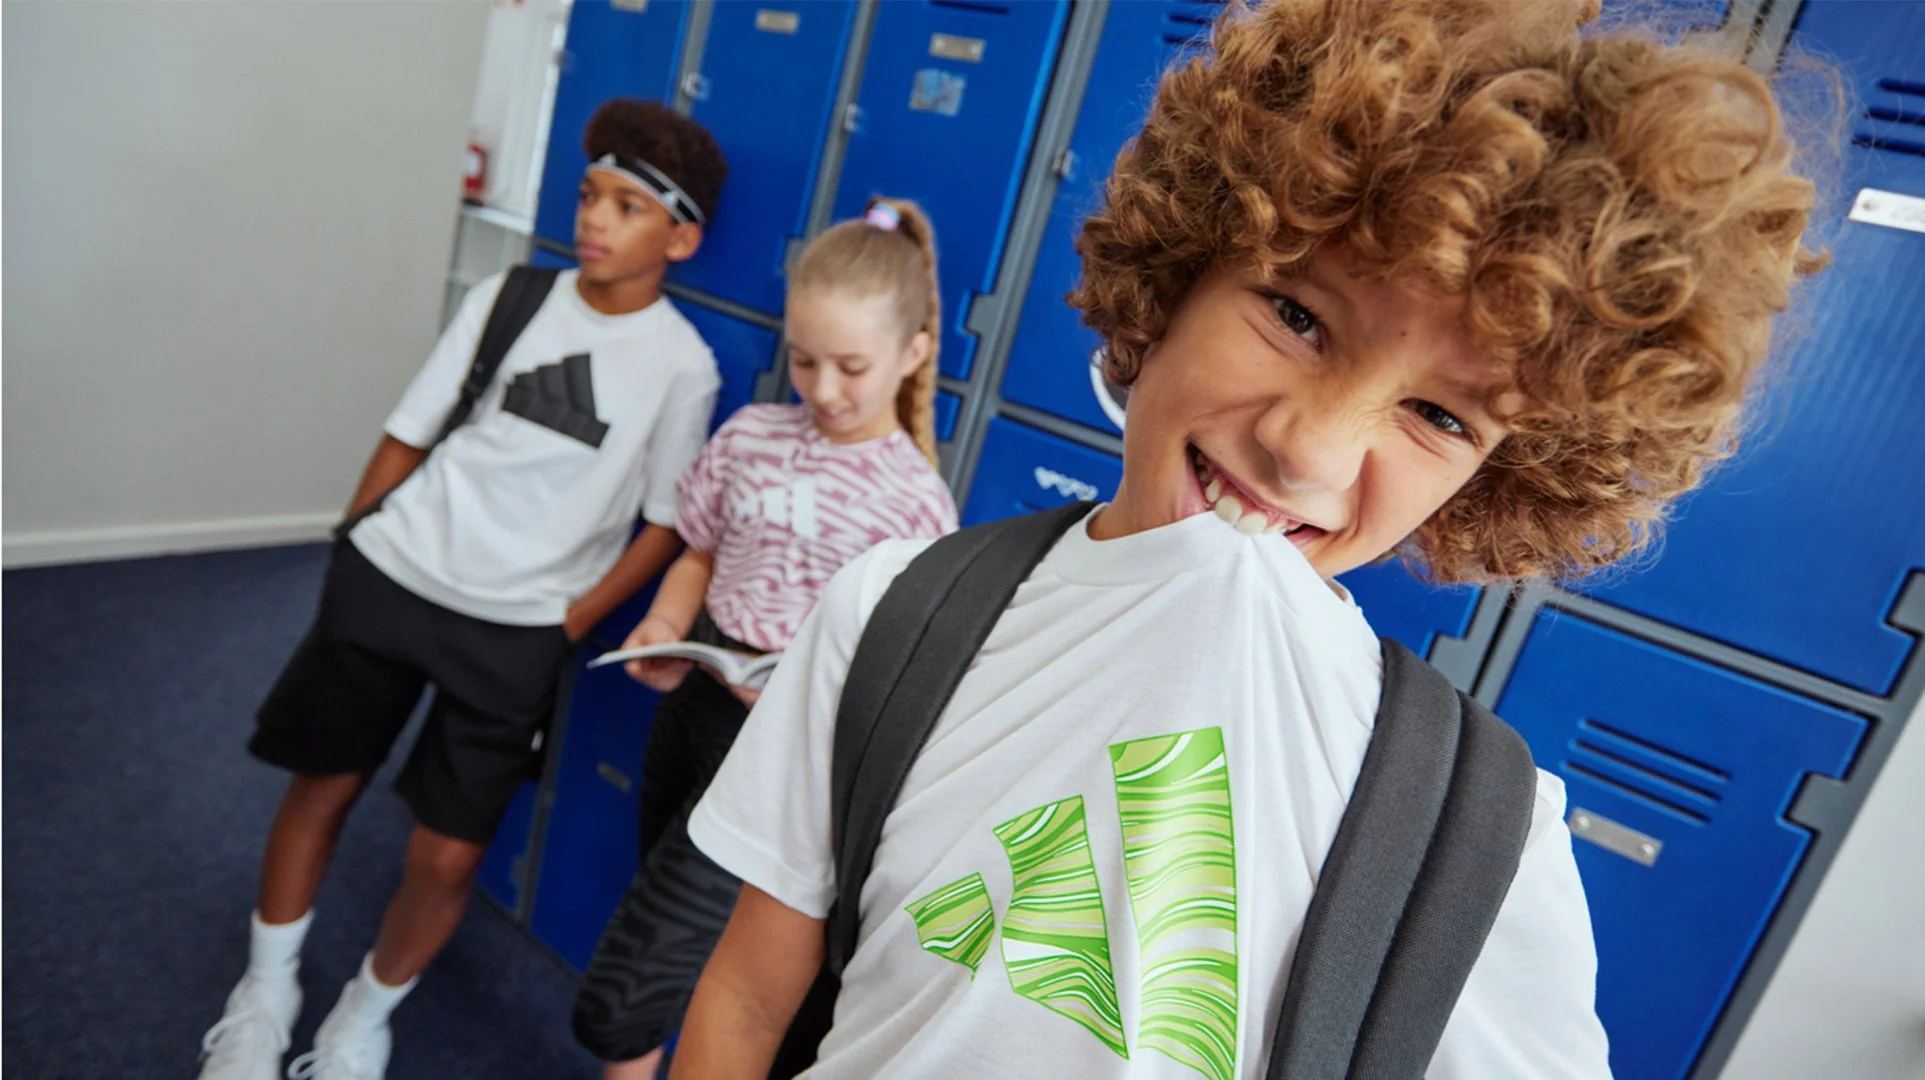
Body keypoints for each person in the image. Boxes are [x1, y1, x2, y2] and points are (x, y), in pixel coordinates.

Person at [667, 0, 1825, 1076]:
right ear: (1174, 274)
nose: (1308, 450)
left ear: (1502, 477)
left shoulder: (1474, 838)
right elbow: (748, 1000)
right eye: (1295, 313)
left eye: (1435, 415)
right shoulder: (895, 613)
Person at [196, 99, 729, 1079]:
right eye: (587, 195)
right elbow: (410, 428)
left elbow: (665, 523)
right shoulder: (510, 297)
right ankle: (262, 997)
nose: (595, 219)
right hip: (394, 577)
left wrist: (567, 618)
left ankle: (362, 1018)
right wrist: (352, 544)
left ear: (680, 237)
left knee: (444, 854)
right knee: (324, 784)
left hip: (516, 631)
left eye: (625, 205)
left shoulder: (682, 367)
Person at [570, 198, 960, 1079]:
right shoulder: (751, 436)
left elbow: (900, 676)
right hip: (697, 714)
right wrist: (670, 625)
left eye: (851, 367)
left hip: (789, 764)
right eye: (804, 360)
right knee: (672, 957)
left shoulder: (916, 505)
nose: (822, 391)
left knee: (625, 995)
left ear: (912, 354)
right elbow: (700, 553)